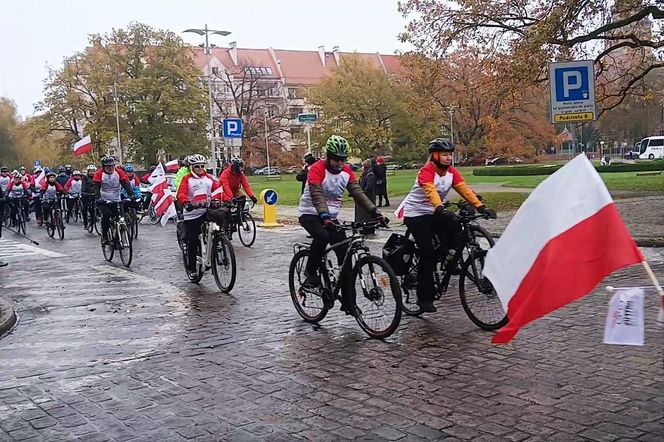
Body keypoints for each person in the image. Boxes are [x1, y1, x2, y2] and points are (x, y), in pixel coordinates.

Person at [401, 138, 496, 313]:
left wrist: (481, 207)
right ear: (435, 155)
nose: (448, 158)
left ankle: (447, 261)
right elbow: (430, 191)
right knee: (427, 254)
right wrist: (439, 207)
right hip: (417, 214)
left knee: (457, 228)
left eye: (450, 155)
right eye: (444, 155)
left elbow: (464, 189)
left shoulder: (451, 172)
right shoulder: (426, 172)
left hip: (435, 211)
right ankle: (424, 298)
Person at [298, 135, 387, 314]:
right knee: (322, 236)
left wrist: (375, 213)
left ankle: (349, 303)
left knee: (345, 258)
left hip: (330, 217)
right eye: (336, 159)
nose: (339, 163)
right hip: (310, 213)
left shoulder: (346, 171)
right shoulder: (317, 169)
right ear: (328, 156)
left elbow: (357, 192)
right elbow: (317, 194)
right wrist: (323, 215)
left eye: (342, 159)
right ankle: (310, 271)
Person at [176, 154, 223, 278]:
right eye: (197, 166)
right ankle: (192, 268)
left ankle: (218, 244)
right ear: (192, 167)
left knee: (219, 224)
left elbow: (218, 190)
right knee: (193, 240)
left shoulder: (210, 178)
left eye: (202, 166)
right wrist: (186, 202)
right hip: (193, 213)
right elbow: (181, 193)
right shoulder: (187, 179)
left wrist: (221, 199)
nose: (200, 168)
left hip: (207, 211)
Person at [93, 156, 136, 244]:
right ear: (103, 166)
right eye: (108, 166)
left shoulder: (119, 172)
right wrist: (98, 198)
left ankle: (117, 237)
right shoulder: (99, 173)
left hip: (116, 198)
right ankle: (105, 236)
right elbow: (96, 188)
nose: (111, 168)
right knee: (107, 215)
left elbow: (125, 184)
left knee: (118, 217)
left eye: (112, 166)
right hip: (103, 199)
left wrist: (132, 195)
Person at [355, 159, 377, 231]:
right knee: (361, 214)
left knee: (367, 215)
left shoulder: (370, 175)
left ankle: (368, 228)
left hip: (368, 198)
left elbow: (369, 187)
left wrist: (361, 194)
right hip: (361, 198)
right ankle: (361, 226)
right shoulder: (364, 175)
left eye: (362, 166)